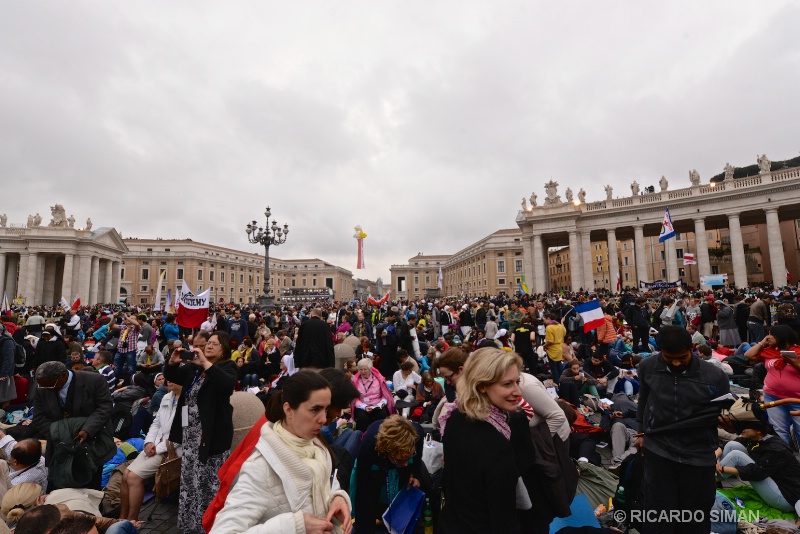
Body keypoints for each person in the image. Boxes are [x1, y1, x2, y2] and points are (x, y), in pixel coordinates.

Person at [210, 371, 352, 534]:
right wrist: (294, 526)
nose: (322, 419)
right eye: (315, 410)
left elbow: (326, 483)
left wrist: (337, 498)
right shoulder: (260, 468)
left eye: (325, 410)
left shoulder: (317, 448)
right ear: (289, 410)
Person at [635, 325, 730, 534]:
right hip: (659, 450)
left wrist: (729, 420)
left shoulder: (715, 376)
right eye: (669, 358)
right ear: (660, 351)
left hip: (699, 454)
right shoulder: (647, 367)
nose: (676, 363)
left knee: (696, 514)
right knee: (659, 513)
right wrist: (642, 431)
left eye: (682, 358)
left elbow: (725, 410)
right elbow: (644, 400)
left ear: (693, 348)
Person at [440, 348, 523, 534]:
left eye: (517, 382)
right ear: (482, 385)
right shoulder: (497, 446)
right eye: (507, 384)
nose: (518, 391)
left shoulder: (455, 417)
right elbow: (503, 517)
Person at [164, 331, 237, 534]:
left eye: (214, 344)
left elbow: (226, 385)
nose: (209, 347)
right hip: (190, 435)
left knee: (208, 485)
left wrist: (205, 363)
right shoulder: (193, 369)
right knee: (190, 483)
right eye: (208, 344)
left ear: (223, 349)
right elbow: (171, 377)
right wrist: (172, 362)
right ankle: (191, 526)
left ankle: (210, 526)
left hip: (210, 436)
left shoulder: (226, 367)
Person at [32, 361, 115, 490]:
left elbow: (105, 407)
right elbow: (39, 417)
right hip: (58, 445)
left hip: (91, 442)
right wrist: (59, 435)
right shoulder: (42, 385)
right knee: (58, 486)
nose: (46, 389)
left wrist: (87, 429)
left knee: (90, 487)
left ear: (64, 376)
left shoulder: (94, 380)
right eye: (42, 386)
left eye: (50, 386)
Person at [119, 380, 182, 521]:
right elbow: (156, 423)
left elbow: (182, 435)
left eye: (173, 378)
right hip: (155, 446)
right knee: (125, 475)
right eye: (168, 378)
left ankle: (131, 520)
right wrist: (148, 443)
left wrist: (156, 448)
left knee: (133, 477)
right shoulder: (167, 397)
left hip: (172, 451)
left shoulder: (187, 402)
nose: (168, 381)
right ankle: (121, 518)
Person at [352, 415, 424, 534]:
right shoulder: (368, 447)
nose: (406, 464)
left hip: (397, 456)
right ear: (387, 452)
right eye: (401, 460)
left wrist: (416, 474)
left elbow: (417, 457)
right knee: (369, 501)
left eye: (407, 458)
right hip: (374, 463)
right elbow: (363, 495)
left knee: (404, 491)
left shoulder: (417, 434)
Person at [716, 420, 800, 517]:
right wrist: (714, 459)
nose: (742, 429)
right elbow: (725, 445)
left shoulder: (775, 448)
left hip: (786, 497)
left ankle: (706, 479)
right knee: (732, 445)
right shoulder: (756, 437)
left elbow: (755, 472)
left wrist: (722, 468)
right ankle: (710, 476)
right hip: (771, 480)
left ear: (758, 431)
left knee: (736, 455)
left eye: (746, 427)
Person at [744, 325, 800, 446]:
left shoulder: (798, 352)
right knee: (779, 431)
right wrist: (761, 343)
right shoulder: (769, 351)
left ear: (780, 336)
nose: (768, 337)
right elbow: (748, 355)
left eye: (771, 334)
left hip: (797, 398)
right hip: (773, 396)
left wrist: (793, 362)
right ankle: (783, 460)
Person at [350, 358, 394, 431]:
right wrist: (364, 406)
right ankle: (363, 437)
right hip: (363, 405)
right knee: (363, 418)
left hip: (378, 404)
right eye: (361, 369)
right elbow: (355, 399)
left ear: (370, 369)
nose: (363, 372)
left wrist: (383, 402)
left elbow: (385, 394)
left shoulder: (379, 379)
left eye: (365, 369)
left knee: (383, 416)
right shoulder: (355, 381)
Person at [544, 313, 567, 385]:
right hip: (559, 348)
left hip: (552, 350)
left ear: (548, 318)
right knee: (559, 367)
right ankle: (562, 382)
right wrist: (562, 322)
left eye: (544, 319)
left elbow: (550, 341)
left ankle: (557, 384)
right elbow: (564, 333)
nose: (544, 321)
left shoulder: (549, 327)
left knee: (554, 369)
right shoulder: (559, 325)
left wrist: (544, 345)